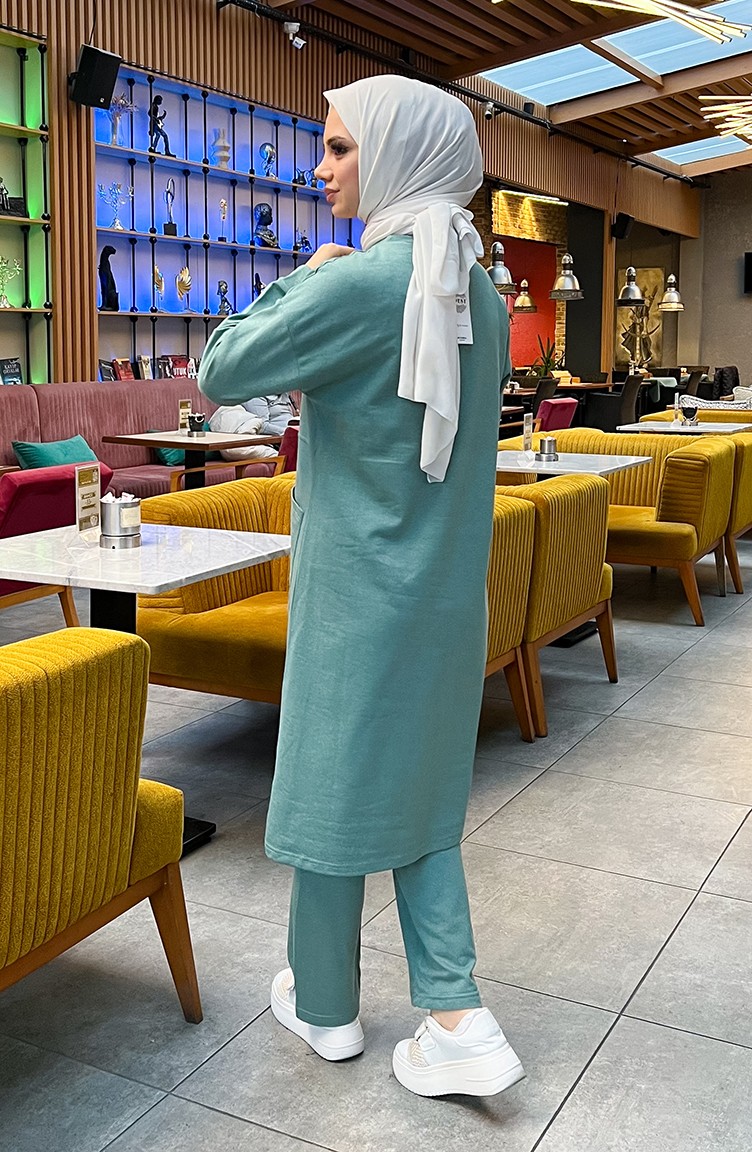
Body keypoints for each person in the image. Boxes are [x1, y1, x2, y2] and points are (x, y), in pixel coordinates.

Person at [199, 74, 523, 1099]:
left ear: (395, 155)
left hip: (353, 590)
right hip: (444, 592)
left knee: (326, 782)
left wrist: (299, 278)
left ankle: (358, 1006)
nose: (321, 166)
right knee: (415, 787)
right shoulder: (475, 289)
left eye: (340, 147)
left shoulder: (366, 281)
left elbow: (220, 369)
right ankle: (420, 1006)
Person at [208, 394, 294, 461]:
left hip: (291, 436)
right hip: (278, 440)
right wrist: (288, 432)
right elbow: (262, 426)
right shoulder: (256, 394)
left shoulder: (284, 393)